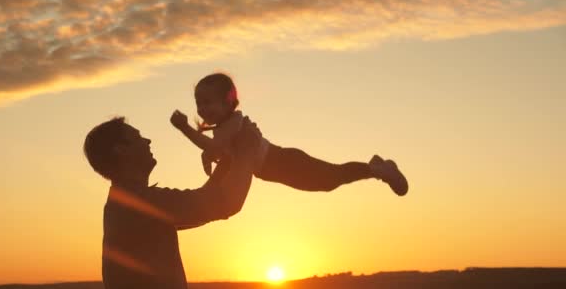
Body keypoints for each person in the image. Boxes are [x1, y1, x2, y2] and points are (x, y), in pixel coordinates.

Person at [83, 116, 260, 289]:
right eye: (138, 137)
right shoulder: (137, 202)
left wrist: (227, 163)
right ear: (121, 150)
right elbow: (224, 203)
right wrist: (247, 152)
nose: (148, 141)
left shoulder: (131, 201)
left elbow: (202, 206)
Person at [170, 72, 409, 196]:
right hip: (280, 170)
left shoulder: (234, 121)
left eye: (208, 102)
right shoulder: (223, 129)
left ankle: (378, 169)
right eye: (198, 103)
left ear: (227, 102)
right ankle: (374, 168)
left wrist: (185, 129)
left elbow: (215, 148)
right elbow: (217, 150)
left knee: (330, 178)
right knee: (330, 180)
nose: (202, 109)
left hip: (285, 162)